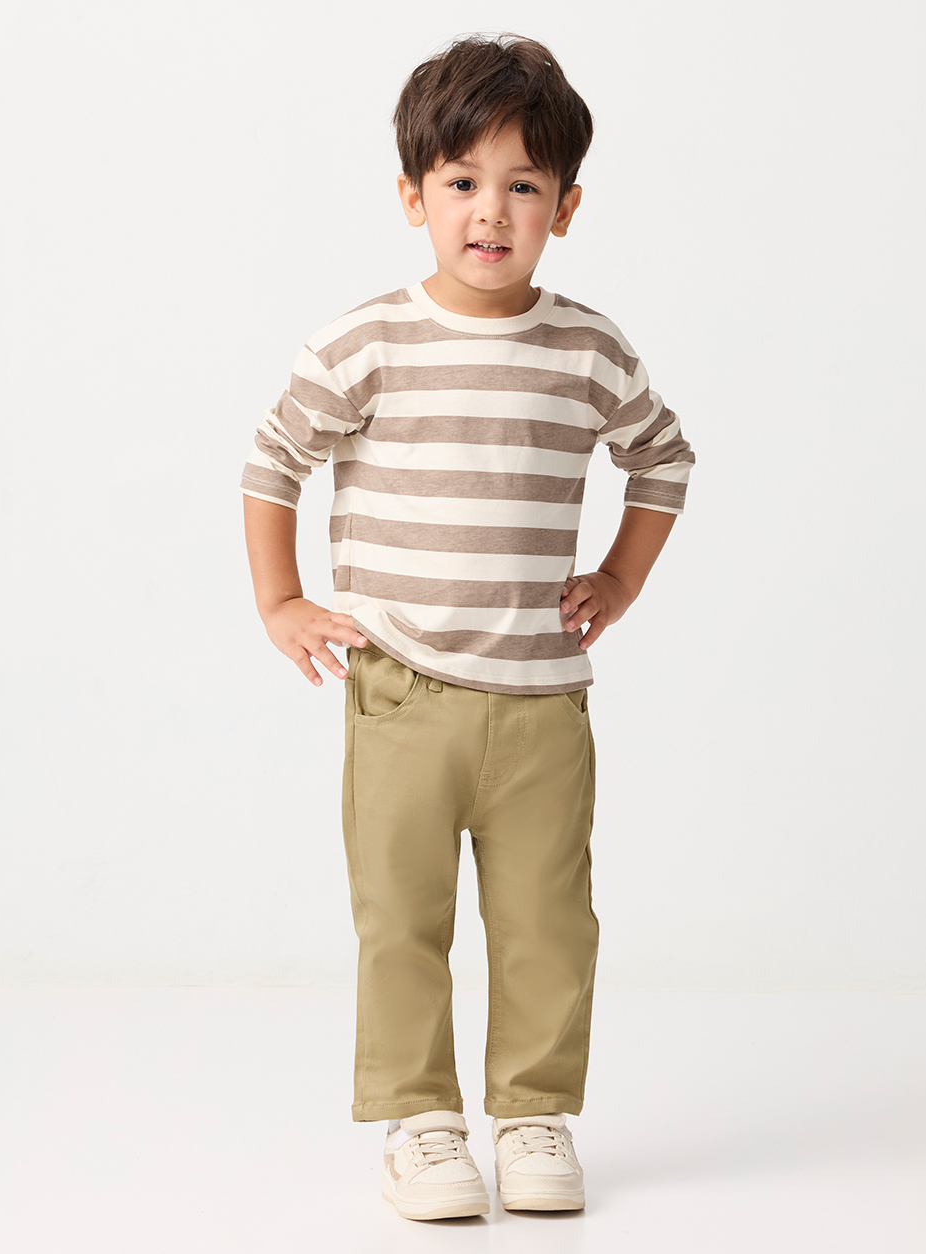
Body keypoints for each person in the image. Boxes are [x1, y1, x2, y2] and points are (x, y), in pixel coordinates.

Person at [239, 31, 696, 1222]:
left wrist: (619, 579)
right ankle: (420, 1120)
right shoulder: (366, 343)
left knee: (548, 919)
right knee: (402, 916)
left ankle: (533, 1113)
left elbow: (663, 459)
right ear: (413, 196)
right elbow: (273, 459)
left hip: (540, 699)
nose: (490, 210)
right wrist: (279, 600)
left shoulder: (587, 349)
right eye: (461, 181)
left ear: (565, 207)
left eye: (523, 185)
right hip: (402, 690)